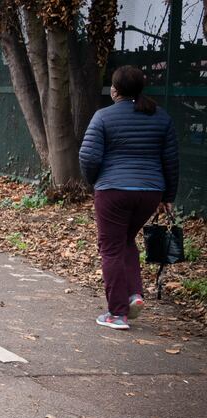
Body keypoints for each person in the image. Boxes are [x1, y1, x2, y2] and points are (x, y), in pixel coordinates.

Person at [79, 65, 179, 330]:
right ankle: (134, 294)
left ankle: (117, 313)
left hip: (113, 191)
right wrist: (168, 195)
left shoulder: (103, 117)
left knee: (110, 248)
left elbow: (88, 157)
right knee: (126, 241)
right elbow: (170, 160)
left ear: (114, 90)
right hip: (150, 192)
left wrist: (97, 181)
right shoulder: (161, 118)